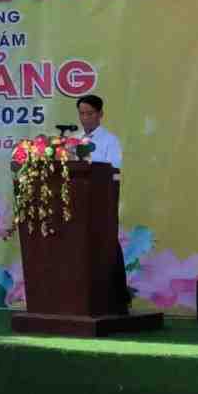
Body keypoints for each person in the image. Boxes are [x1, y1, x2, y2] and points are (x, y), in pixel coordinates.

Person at [76, 94, 130, 314]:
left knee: (106, 246)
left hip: (102, 203)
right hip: (79, 204)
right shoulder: (75, 141)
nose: (85, 118)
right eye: (82, 113)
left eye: (89, 113)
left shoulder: (110, 140)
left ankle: (115, 300)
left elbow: (113, 170)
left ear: (100, 115)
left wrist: (91, 166)